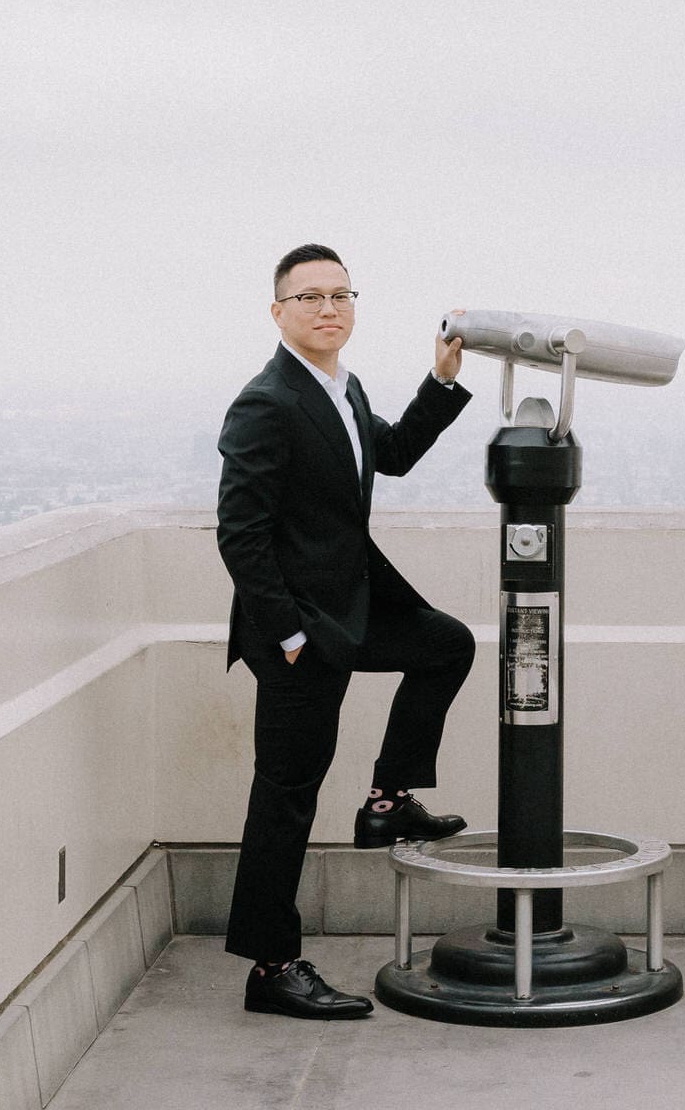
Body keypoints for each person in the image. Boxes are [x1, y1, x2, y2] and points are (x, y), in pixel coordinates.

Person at [217, 243, 477, 1019]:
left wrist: (441, 383)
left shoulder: (342, 385)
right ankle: (271, 968)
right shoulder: (267, 401)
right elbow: (241, 536)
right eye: (310, 298)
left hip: (350, 612)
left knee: (445, 644)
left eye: (340, 295)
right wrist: (290, 636)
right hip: (299, 634)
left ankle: (388, 800)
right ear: (278, 312)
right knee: (285, 800)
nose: (328, 309)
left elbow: (390, 454)